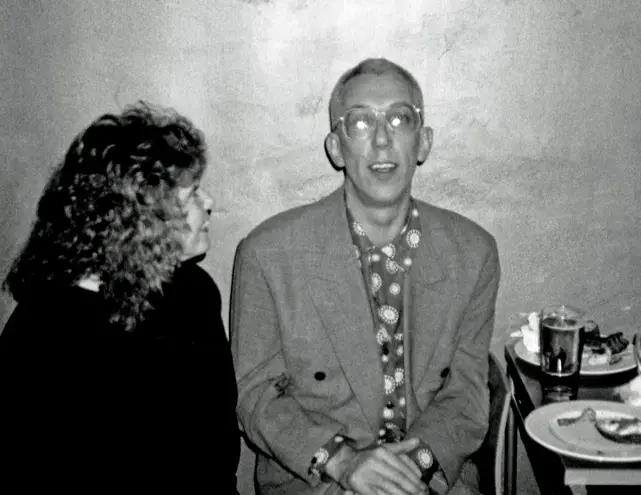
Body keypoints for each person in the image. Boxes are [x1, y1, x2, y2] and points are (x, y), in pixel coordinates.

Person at [230, 58, 501, 495]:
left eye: (399, 118)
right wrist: (342, 462)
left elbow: (467, 393)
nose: (381, 139)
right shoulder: (267, 254)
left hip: (428, 478)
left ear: (423, 142)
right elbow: (256, 396)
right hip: (316, 478)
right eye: (360, 122)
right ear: (336, 147)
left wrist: (412, 467)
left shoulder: (473, 252)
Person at [0, 102, 239, 492]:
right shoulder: (43, 332)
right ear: (141, 219)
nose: (209, 202)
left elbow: (217, 449)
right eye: (192, 194)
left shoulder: (193, 291)